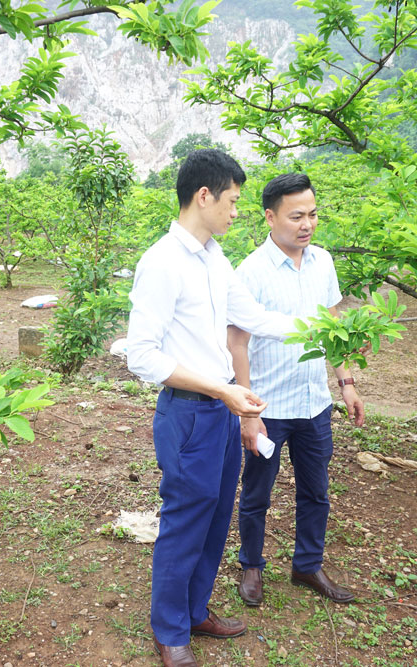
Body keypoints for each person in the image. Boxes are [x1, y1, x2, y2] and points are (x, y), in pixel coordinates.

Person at [126, 150, 296, 667]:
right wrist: (222, 391)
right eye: (233, 201)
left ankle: (196, 610)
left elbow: (254, 316)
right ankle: (170, 630)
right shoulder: (161, 263)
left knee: (217, 515)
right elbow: (142, 355)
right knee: (184, 520)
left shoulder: (213, 257)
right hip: (190, 412)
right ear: (204, 196)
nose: (236, 211)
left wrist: (325, 331)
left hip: (221, 409)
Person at [227, 172, 365, 608]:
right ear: (270, 217)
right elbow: (237, 344)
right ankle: (251, 565)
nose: (306, 224)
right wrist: (249, 412)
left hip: (313, 403)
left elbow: (331, 329)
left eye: (312, 214)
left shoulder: (322, 261)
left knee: (316, 491)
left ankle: (307, 564)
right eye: (296, 216)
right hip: (269, 405)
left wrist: (346, 383)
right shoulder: (251, 272)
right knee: (256, 493)